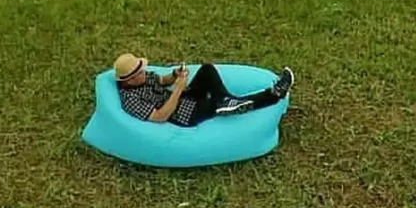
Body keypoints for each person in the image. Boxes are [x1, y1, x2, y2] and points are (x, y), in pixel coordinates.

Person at [113, 53, 294, 127]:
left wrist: (175, 75)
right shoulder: (130, 99)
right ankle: (274, 94)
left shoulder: (144, 78)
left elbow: (162, 80)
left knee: (207, 69)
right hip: (182, 114)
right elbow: (160, 117)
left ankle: (227, 101)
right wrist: (179, 89)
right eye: (139, 72)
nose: (144, 73)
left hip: (183, 97)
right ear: (129, 80)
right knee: (215, 103)